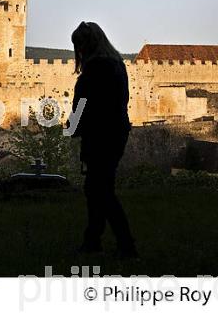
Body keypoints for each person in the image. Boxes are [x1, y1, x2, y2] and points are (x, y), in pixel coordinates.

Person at [70, 21, 137, 258]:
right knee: (98, 187)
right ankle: (93, 240)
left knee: (101, 190)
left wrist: (72, 127)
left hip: (99, 135)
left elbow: (82, 105)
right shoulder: (118, 65)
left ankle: (125, 245)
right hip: (117, 132)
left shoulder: (94, 70)